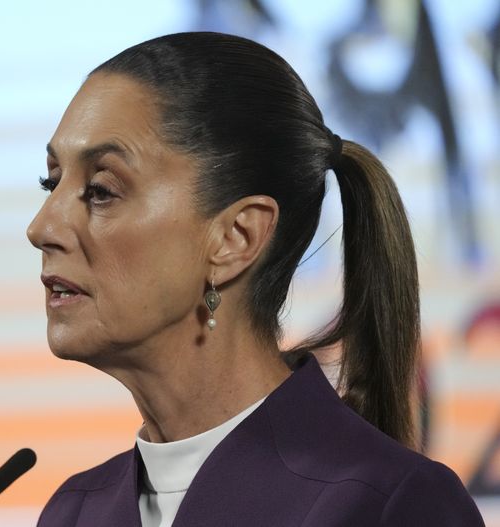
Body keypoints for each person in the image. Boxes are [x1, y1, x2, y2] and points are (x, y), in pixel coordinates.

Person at [26, 32, 485, 526]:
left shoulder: (390, 506)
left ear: (236, 238)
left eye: (100, 190)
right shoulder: (73, 512)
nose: (41, 228)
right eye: (51, 183)